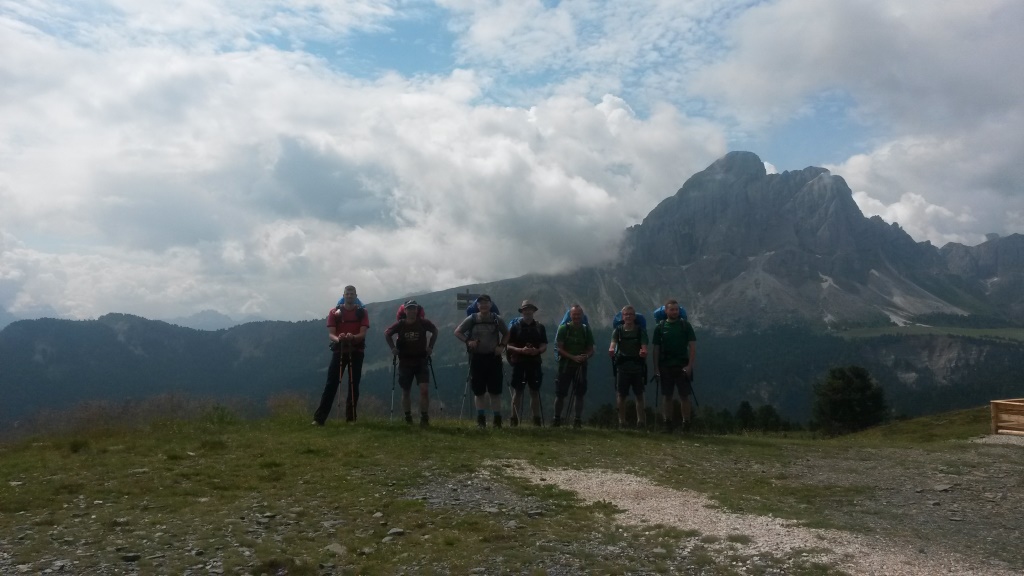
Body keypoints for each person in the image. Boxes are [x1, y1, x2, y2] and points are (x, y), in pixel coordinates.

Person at [313, 285, 369, 425]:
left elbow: (363, 334)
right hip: (340, 350)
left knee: (353, 384)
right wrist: (339, 339)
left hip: (356, 351)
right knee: (331, 384)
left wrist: (352, 337)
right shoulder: (334, 313)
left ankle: (350, 418)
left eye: (352, 294)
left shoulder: (362, 312)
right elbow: (331, 334)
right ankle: (319, 419)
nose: (349, 296)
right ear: (343, 295)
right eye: (347, 294)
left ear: (356, 296)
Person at [454, 294, 509, 428]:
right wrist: (468, 341)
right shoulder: (472, 319)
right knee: (479, 391)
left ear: (490, 305)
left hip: (493, 358)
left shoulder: (497, 319)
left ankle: (497, 421)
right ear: (477, 306)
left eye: (486, 303)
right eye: (481, 303)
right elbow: (457, 332)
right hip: (477, 358)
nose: (483, 305)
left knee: (495, 391)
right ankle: (481, 420)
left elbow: (507, 333)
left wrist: (502, 346)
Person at [384, 300, 439, 426]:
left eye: (414, 308)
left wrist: (431, 346)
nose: (412, 311)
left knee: (424, 390)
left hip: (421, 360)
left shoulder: (423, 323)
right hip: (405, 362)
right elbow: (387, 334)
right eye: (409, 308)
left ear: (417, 310)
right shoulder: (401, 324)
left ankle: (424, 418)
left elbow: (435, 331)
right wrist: (393, 348)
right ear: (405, 311)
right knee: (406, 391)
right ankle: (408, 417)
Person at [651, 299, 697, 432]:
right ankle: (667, 424)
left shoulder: (685, 325)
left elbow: (692, 347)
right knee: (667, 396)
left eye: (676, 309)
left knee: (685, 395)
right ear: (666, 311)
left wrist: (690, 366)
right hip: (665, 366)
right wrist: (656, 368)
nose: (675, 312)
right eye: (672, 309)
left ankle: (686, 424)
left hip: (682, 365)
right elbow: (656, 349)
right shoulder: (660, 327)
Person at [506, 300, 548, 427]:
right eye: (525, 309)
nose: (527, 311)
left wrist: (538, 351)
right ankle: (514, 420)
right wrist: (521, 350)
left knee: (534, 391)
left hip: (534, 363)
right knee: (518, 391)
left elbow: (544, 345)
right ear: (522, 311)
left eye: (529, 309)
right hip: (520, 363)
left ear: (533, 311)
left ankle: (536, 421)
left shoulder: (540, 327)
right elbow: (508, 346)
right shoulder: (515, 327)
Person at [554, 304, 595, 428]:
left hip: (580, 366)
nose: (576, 317)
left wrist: (585, 356)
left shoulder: (586, 330)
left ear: (582, 315)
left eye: (578, 314)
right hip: (565, 366)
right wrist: (573, 357)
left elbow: (591, 349)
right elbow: (559, 349)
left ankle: (577, 420)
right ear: (570, 315)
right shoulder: (563, 329)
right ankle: (556, 419)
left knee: (579, 394)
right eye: (574, 314)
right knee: (560, 394)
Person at [608, 305, 649, 429]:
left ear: (634, 316)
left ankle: (641, 422)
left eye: (631, 314)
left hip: (637, 367)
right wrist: (611, 349)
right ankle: (622, 422)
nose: (629, 316)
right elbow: (613, 344)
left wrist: (644, 352)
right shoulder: (618, 331)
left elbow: (644, 347)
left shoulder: (640, 331)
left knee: (639, 395)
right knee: (621, 395)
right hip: (623, 367)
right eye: (626, 314)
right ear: (623, 317)